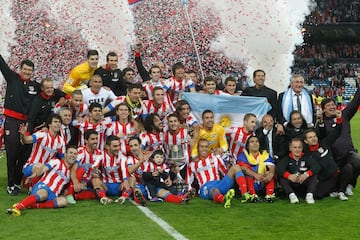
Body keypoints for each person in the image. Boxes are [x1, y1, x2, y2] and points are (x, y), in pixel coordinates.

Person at [1, 55, 41, 195]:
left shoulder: (36, 86)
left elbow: (50, 92)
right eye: (25, 69)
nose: (27, 72)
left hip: (27, 123)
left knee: (24, 154)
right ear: (20, 69)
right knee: (12, 154)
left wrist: (65, 96)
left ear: (33, 71)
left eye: (30, 70)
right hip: (12, 121)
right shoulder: (12, 78)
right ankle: (11, 184)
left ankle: (17, 182)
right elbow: (2, 65)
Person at [7, 145, 78, 216]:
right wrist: (35, 174)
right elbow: (44, 168)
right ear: (65, 154)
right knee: (43, 195)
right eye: (70, 153)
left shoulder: (70, 173)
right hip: (44, 186)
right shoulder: (56, 162)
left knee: (63, 201)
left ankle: (34, 205)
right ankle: (18, 207)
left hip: (53, 195)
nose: (72, 155)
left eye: (75, 154)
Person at [320, 83, 360, 196]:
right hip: (334, 156)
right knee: (346, 171)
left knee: (357, 163)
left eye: (333, 104)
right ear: (323, 109)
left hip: (348, 152)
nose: (332, 107)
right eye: (328, 105)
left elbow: (355, 101)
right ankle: (339, 188)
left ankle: (350, 185)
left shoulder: (344, 115)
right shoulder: (321, 124)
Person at [187, 138, 247, 208]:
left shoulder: (215, 158)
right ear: (198, 148)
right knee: (214, 189)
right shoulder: (193, 164)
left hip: (219, 184)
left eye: (206, 147)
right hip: (205, 187)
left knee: (236, 167)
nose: (204, 149)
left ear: (209, 148)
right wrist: (190, 191)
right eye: (202, 147)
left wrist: (229, 168)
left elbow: (224, 172)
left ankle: (245, 195)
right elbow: (189, 181)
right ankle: (223, 199)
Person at [20, 114, 66, 186]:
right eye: (55, 121)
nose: (58, 124)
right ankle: (32, 181)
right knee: (39, 166)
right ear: (50, 124)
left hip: (46, 169)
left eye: (59, 122)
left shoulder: (61, 141)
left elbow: (63, 159)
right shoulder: (42, 134)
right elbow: (26, 140)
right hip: (31, 166)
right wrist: (23, 134)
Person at [66, 130, 105, 204]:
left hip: (89, 182)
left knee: (97, 190)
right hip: (77, 178)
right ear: (86, 141)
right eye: (92, 139)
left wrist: (97, 173)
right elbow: (73, 169)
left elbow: (96, 170)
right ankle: (69, 194)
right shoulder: (80, 151)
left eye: (96, 139)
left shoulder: (99, 153)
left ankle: (76, 195)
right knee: (83, 168)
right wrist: (76, 182)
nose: (95, 141)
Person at [276, 138, 320, 204]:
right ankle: (292, 196)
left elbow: (317, 167)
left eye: (299, 147)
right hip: (292, 185)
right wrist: (289, 176)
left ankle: (309, 196)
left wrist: (306, 175)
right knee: (282, 178)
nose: (297, 149)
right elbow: (279, 169)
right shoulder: (286, 159)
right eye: (295, 147)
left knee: (313, 176)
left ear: (302, 148)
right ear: (290, 148)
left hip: (303, 184)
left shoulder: (307, 158)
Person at [236, 136, 276, 203]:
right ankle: (253, 195)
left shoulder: (264, 154)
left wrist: (270, 175)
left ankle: (269, 196)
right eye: (252, 142)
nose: (255, 143)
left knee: (269, 174)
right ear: (248, 146)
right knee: (247, 175)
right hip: (250, 182)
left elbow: (271, 166)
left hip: (263, 181)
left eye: (257, 142)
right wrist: (255, 175)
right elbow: (243, 168)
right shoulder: (243, 155)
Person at [163, 114, 193, 192]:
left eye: (175, 121)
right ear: (168, 124)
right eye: (171, 122)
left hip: (184, 164)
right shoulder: (164, 134)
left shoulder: (185, 132)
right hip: (170, 164)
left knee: (185, 183)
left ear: (179, 123)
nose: (173, 123)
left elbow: (192, 143)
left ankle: (187, 187)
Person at [100, 135, 132, 204]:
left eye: (119, 145)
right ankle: (103, 197)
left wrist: (125, 180)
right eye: (115, 146)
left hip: (119, 186)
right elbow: (94, 167)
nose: (118, 148)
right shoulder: (101, 155)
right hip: (106, 186)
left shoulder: (122, 156)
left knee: (132, 179)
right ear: (108, 147)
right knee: (95, 179)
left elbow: (124, 169)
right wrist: (96, 172)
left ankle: (123, 197)